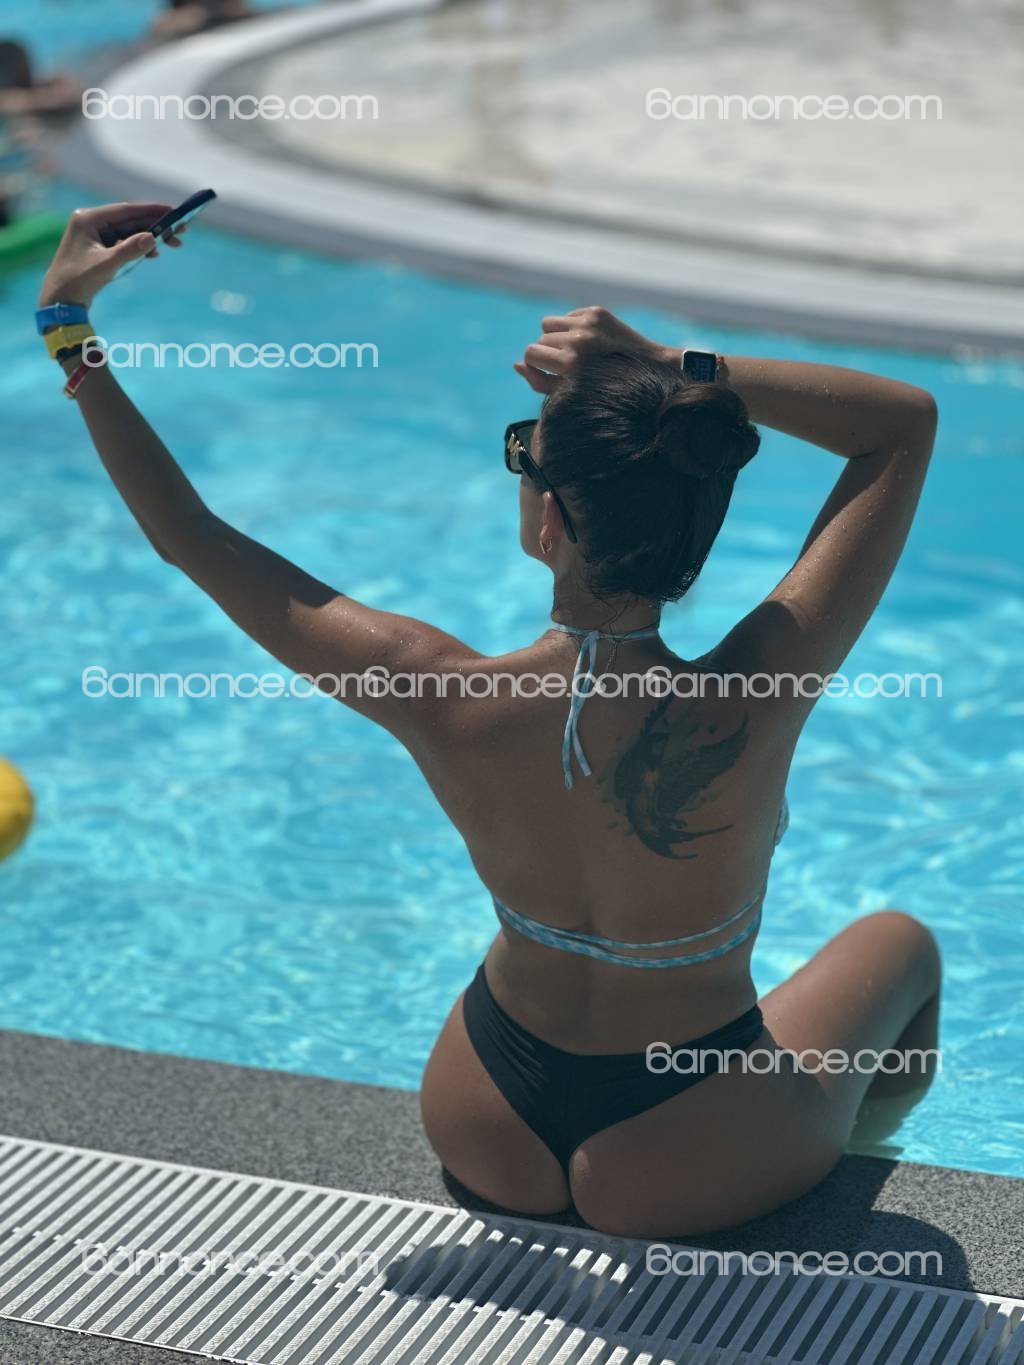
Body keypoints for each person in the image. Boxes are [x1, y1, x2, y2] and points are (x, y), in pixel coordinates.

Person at [37, 203, 941, 1237]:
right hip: (690, 1149)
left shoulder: (431, 688)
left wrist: (67, 323)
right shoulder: (760, 689)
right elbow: (899, 425)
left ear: (549, 515)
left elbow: (186, 533)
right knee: (900, 941)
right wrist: (669, 364)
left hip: (485, 1112)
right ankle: (856, 1162)